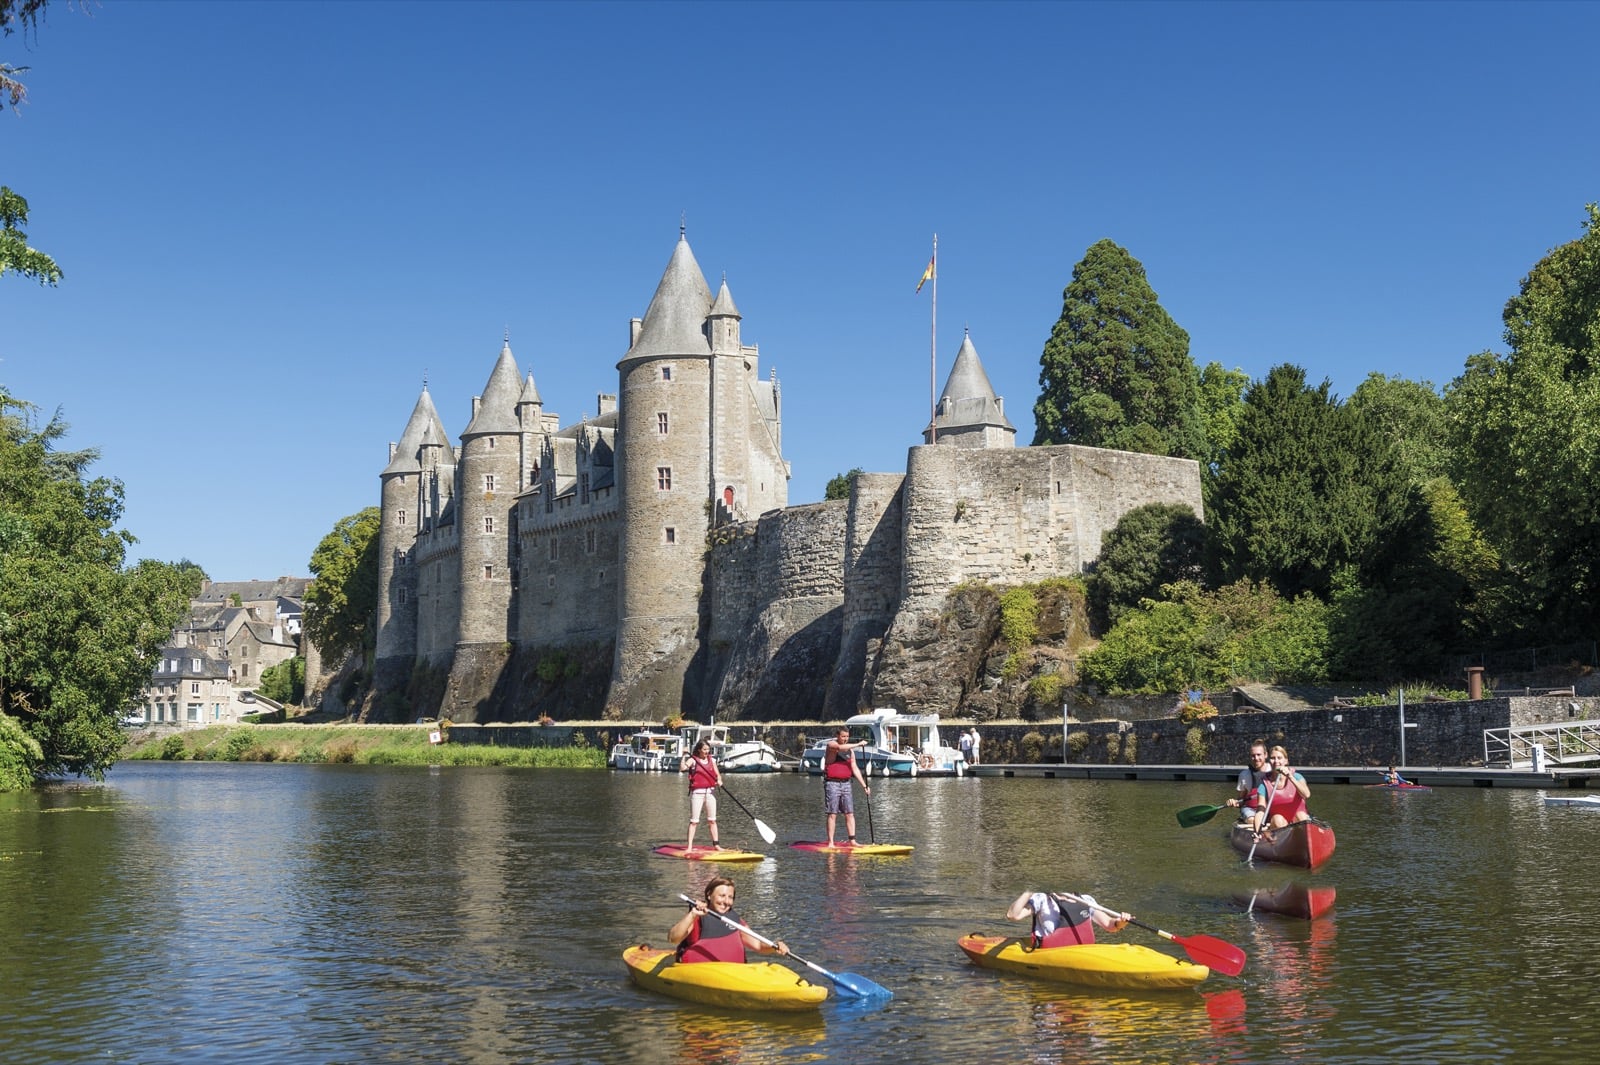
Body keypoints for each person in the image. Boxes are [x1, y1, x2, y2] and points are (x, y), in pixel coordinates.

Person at [669, 877, 788, 963]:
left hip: (734, 974)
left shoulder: (735, 919)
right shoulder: (697, 916)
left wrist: (774, 946)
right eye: (722, 896)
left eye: (730, 897)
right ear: (709, 895)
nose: (726, 901)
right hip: (700, 974)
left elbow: (758, 945)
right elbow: (673, 938)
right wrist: (692, 914)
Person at [1005, 890, 1130, 948]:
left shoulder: (1086, 900)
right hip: (1050, 955)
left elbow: (1110, 925)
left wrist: (1121, 922)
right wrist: (1028, 891)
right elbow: (1013, 915)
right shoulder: (1042, 899)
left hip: (1083, 955)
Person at [823, 726, 871, 847]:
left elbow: (854, 769)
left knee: (849, 813)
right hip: (832, 784)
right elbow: (840, 747)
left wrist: (864, 785)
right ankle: (831, 843)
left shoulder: (850, 752)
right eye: (843, 736)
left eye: (847, 736)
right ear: (838, 736)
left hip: (846, 784)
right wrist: (859, 744)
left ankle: (852, 841)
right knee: (832, 813)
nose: (845, 739)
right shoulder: (831, 745)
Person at [1249, 745, 1312, 835]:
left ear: (1286, 761)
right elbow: (1260, 810)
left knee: (1301, 816)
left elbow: (1306, 794)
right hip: (1279, 825)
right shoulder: (1264, 785)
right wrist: (1257, 831)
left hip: (1298, 821)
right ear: (1269, 761)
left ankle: (1304, 838)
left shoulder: (1297, 777)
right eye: (1273, 758)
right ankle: (1283, 840)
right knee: (1277, 819)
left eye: (1279, 758)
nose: (1276, 761)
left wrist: (1290, 777)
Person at [681, 739, 723, 851]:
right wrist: (683, 756)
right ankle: (689, 847)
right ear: (699, 750)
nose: (707, 751)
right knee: (694, 821)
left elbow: (718, 775)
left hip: (710, 793)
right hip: (697, 794)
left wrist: (719, 780)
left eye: (708, 749)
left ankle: (716, 845)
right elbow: (682, 768)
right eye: (704, 749)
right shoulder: (693, 760)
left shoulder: (712, 760)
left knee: (712, 820)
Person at [1225, 740, 1271, 823]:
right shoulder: (1244, 775)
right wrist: (1234, 802)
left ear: (1266, 755)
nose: (1256, 758)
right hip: (1250, 810)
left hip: (1268, 809)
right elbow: (1241, 801)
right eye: (1253, 756)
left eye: (1259, 755)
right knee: (1253, 820)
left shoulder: (1273, 771)